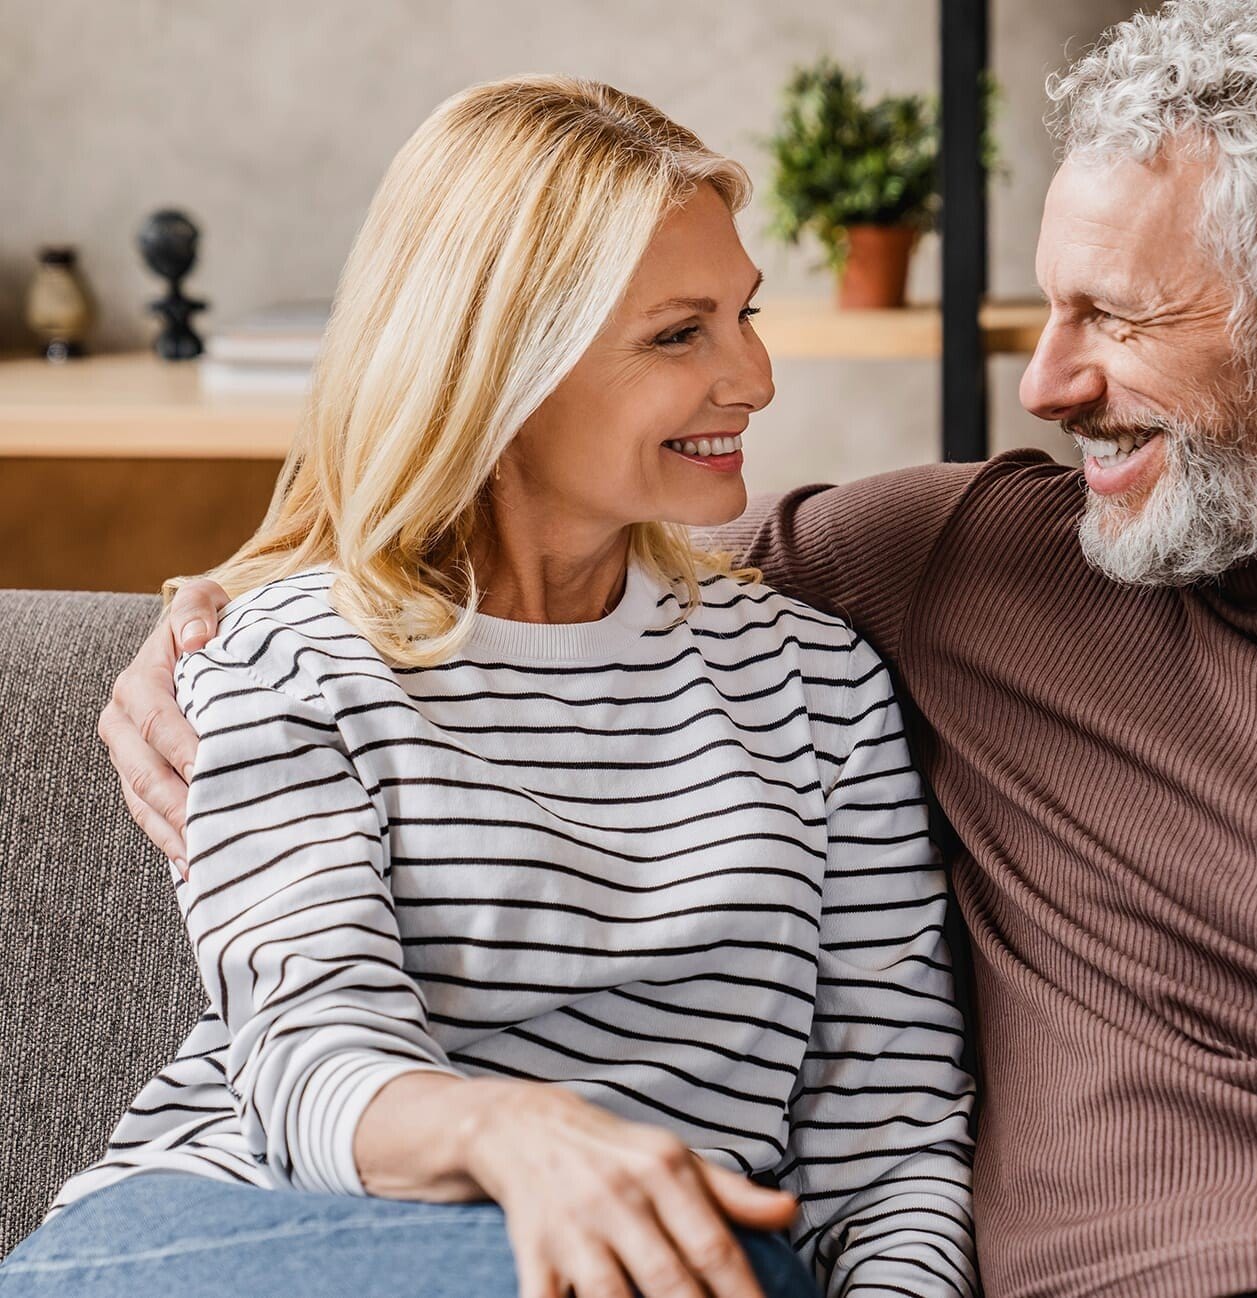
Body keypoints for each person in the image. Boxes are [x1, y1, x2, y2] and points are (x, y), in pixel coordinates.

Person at [97, 3, 1257, 1297]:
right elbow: (529, 556)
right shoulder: (954, 560)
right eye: (1041, 309)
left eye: (1113, 319)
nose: (1046, 386)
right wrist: (212, 623)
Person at [3, 76, 976, 1298]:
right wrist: (521, 1137)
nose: (756, 377)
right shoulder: (290, 656)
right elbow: (312, 1061)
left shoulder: (816, 684)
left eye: (744, 315)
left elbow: (889, 1152)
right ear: (504, 364)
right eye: (681, 333)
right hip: (235, 1238)